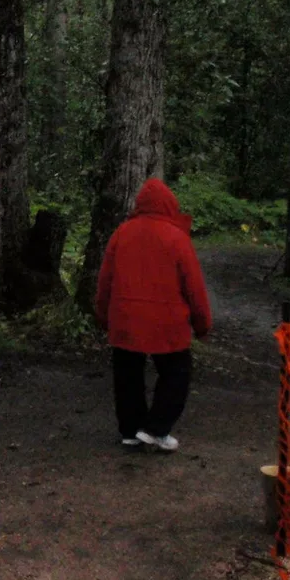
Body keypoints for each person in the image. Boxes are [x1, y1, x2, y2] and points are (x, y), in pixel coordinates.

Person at [94, 178, 213, 453]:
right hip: (167, 323)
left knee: (127, 376)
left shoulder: (121, 233)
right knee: (176, 373)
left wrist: (103, 315)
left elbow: (105, 281)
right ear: (170, 205)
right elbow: (194, 287)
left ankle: (130, 431)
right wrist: (202, 325)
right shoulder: (177, 238)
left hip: (125, 318)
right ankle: (156, 427)